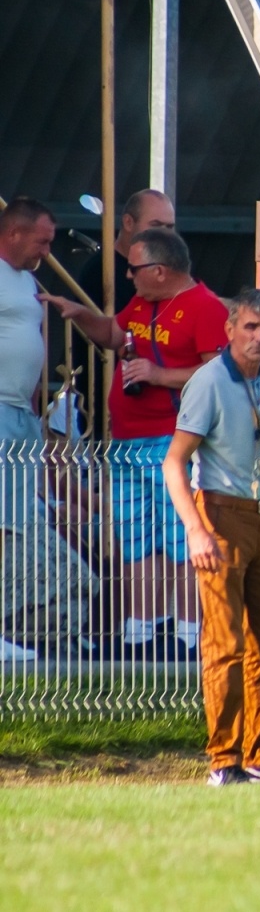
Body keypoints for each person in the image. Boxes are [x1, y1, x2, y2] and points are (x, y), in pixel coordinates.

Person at [43, 229, 228, 661]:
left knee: (178, 538)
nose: (128, 274)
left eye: (135, 268)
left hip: (172, 441)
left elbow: (219, 374)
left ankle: (185, 634)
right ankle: (140, 632)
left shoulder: (205, 307)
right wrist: (79, 314)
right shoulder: (143, 304)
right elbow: (112, 333)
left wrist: (160, 376)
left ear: (160, 271)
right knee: (135, 538)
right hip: (127, 438)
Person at [162, 290, 260, 784]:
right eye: (250, 328)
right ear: (231, 328)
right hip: (221, 516)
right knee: (225, 645)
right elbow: (175, 461)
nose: (259, 338)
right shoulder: (209, 382)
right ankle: (222, 760)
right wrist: (195, 529)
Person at [0, 196, 53, 664]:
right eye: (43, 240)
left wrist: (35, 409)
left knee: (9, 525)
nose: (48, 250)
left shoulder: (27, 279)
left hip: (21, 415)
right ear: (14, 233)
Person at [74, 188, 175, 314]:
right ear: (128, 223)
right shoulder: (100, 271)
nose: (164, 234)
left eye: (169, 227)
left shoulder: (168, 271)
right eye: (155, 225)